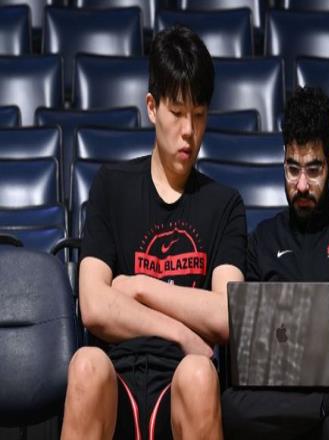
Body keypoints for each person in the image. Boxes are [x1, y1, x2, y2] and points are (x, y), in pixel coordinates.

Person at [61, 26, 246, 440]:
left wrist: (138, 287)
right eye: (177, 113)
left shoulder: (224, 204)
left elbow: (226, 315)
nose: (189, 131)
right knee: (86, 365)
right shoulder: (111, 186)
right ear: (151, 107)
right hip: (117, 383)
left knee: (199, 373)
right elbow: (94, 305)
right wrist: (180, 332)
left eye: (199, 115)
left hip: (182, 385)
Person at [222, 86, 329, 440]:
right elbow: (248, 341)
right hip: (281, 387)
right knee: (230, 407)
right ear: (282, 161)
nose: (301, 185)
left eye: (313, 170)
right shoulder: (262, 240)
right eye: (292, 169)